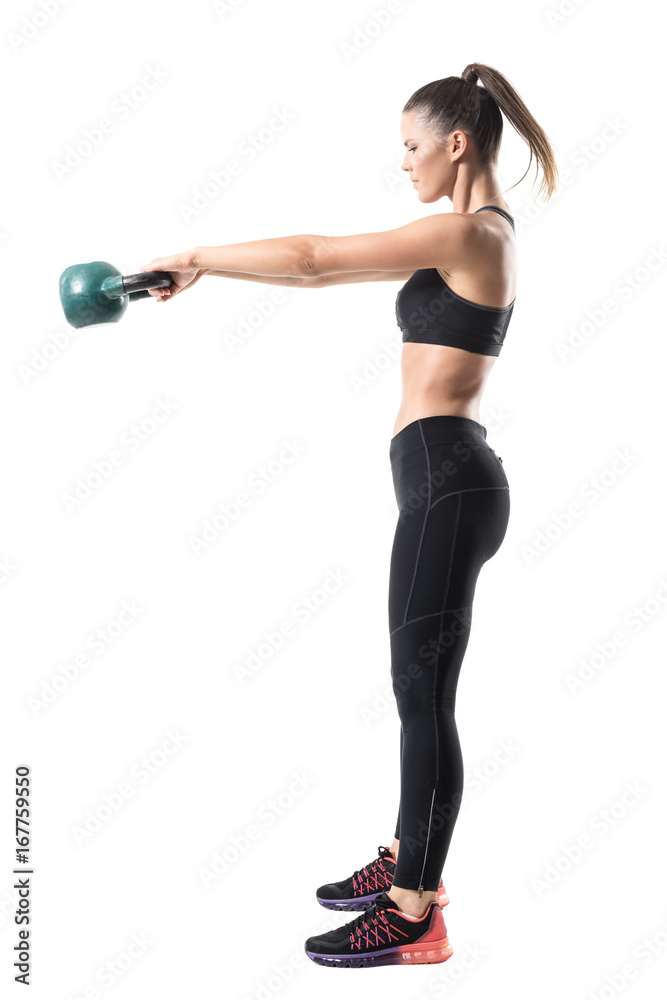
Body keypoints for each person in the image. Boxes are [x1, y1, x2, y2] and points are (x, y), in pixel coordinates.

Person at [140, 62, 558, 969]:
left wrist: (199, 257)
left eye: (411, 147)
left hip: (448, 479)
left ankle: (414, 911)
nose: (403, 164)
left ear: (455, 143)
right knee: (415, 688)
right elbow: (317, 274)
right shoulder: (472, 231)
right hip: (441, 477)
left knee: (421, 695)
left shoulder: (469, 232)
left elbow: (317, 258)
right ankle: (412, 858)